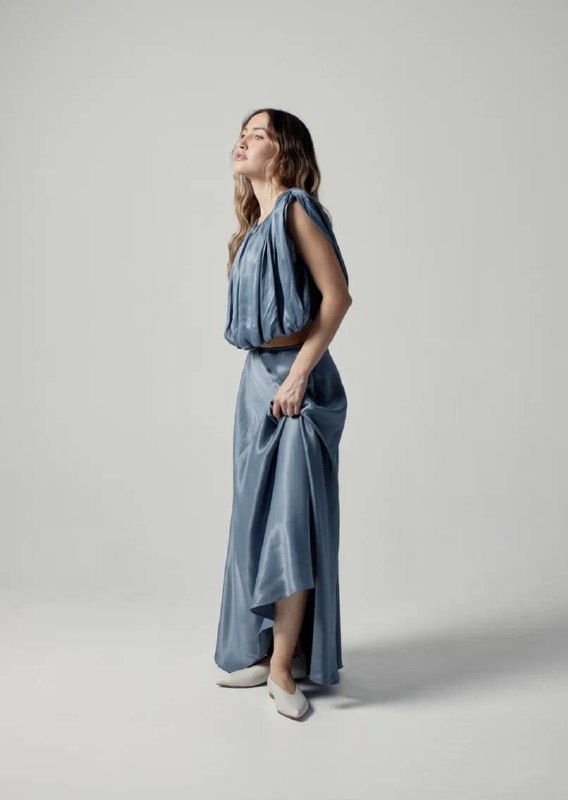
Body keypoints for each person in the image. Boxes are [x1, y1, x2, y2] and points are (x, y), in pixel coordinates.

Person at [214, 108, 353, 720]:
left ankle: (282, 668)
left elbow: (337, 296)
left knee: (290, 526)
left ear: (285, 149)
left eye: (258, 134)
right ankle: (273, 649)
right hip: (256, 384)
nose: (243, 140)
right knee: (256, 522)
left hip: (299, 388)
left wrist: (298, 374)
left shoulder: (297, 208)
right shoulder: (251, 229)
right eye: (241, 133)